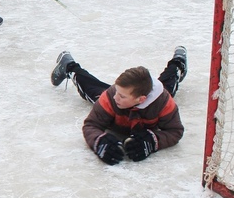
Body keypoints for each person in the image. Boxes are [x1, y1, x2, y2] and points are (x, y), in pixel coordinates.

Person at [50, 47, 187, 165]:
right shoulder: (110, 97)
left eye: (121, 96)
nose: (116, 97)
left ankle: (178, 64)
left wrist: (152, 141)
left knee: (169, 85)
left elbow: (175, 131)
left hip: (150, 98)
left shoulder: (163, 102)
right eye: (117, 91)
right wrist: (99, 142)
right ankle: (69, 66)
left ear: (141, 99)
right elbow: (91, 125)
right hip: (125, 99)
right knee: (93, 91)